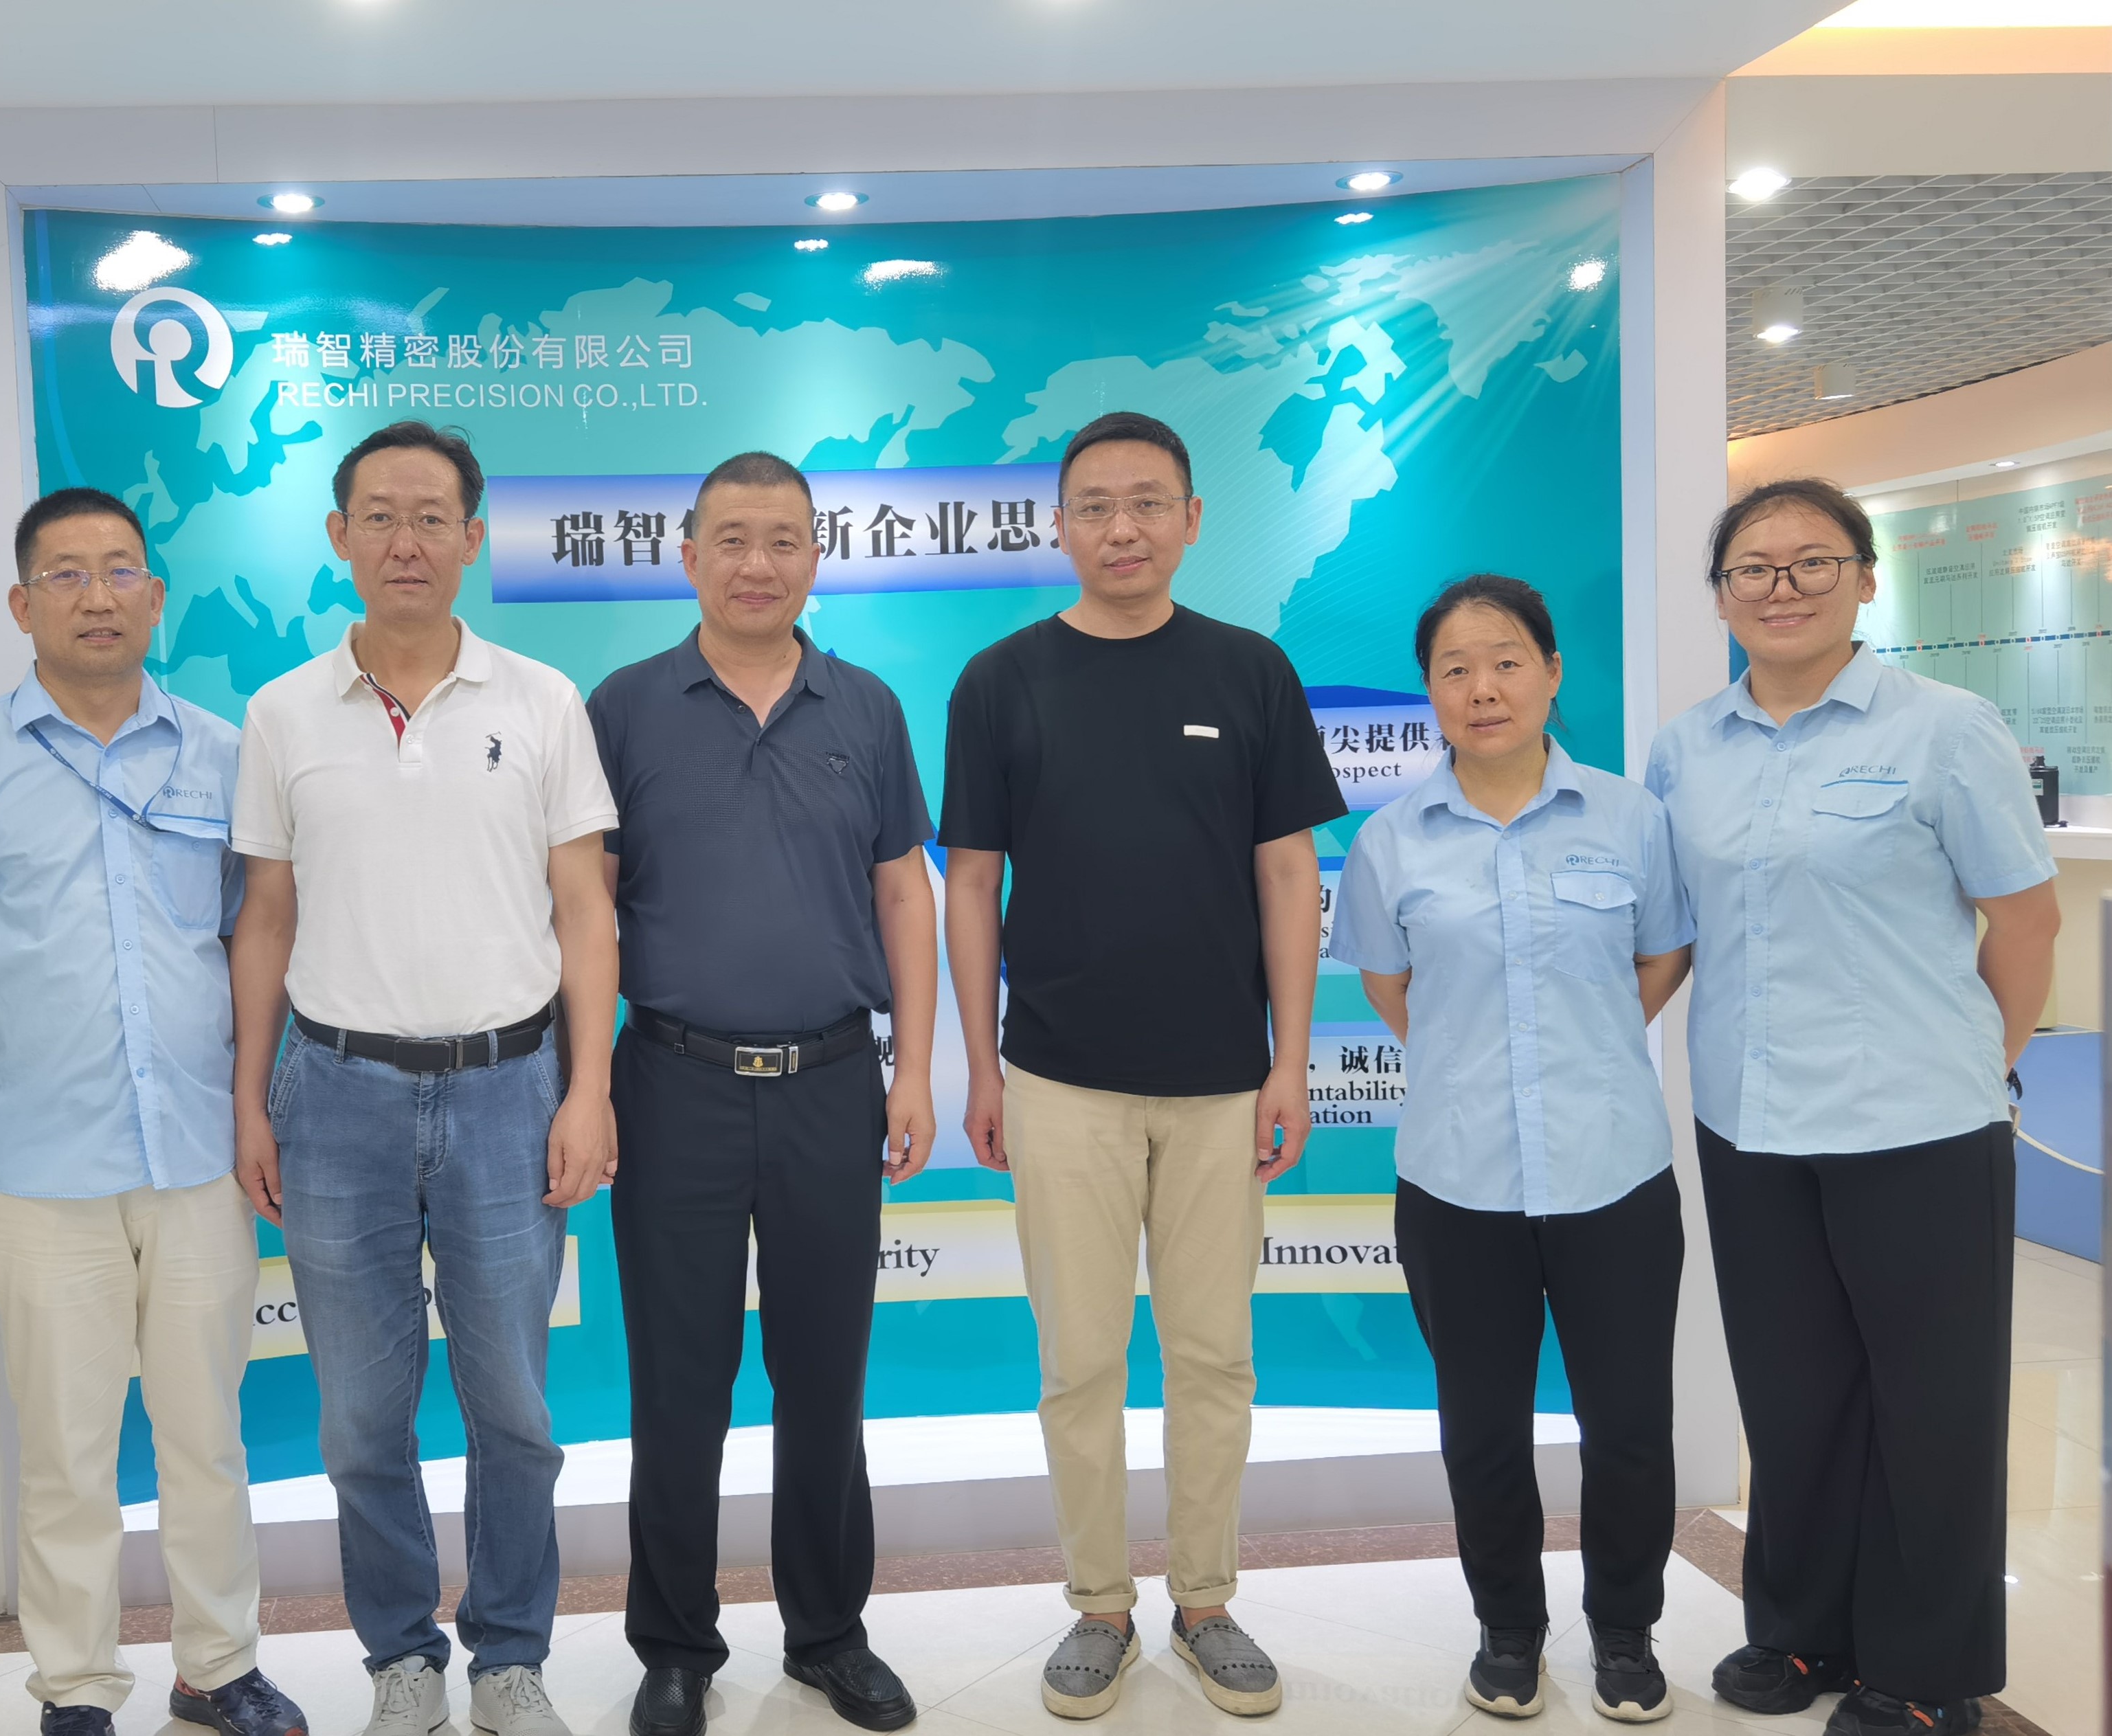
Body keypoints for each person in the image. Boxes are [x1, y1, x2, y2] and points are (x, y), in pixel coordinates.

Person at [941, 411, 1345, 1720]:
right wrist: (982, 1066)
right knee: (1078, 1361)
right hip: (1059, 1078)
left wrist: (1291, 1062)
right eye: (1096, 506)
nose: (1122, 528)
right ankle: (1099, 1606)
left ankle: (1207, 1601)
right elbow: (972, 884)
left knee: (1214, 1355)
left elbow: (1286, 872)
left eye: (1147, 503)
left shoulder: (1248, 671)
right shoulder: (1000, 681)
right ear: (1058, 525)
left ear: (1190, 520)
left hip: (1223, 1081)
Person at [0, 488, 304, 1736]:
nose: (97, 595)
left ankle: (218, 1667)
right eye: (65, 574)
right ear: (22, 605)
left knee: (205, 1436)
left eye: (120, 570)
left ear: (154, 597)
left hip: (198, 1154)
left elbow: (253, 937)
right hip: (42, 1163)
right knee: (66, 1450)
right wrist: (48, 1015)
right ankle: (75, 1685)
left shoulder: (225, 753)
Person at [1645, 479, 2057, 1736]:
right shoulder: (1685, 749)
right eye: (1751, 569)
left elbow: (2024, 921)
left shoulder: (1945, 729)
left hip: (1915, 1125)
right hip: (1749, 1123)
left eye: (1810, 562)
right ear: (1720, 596)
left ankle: (1926, 1673)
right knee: (1793, 1394)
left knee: (1930, 1407)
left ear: (1864, 580)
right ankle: (1802, 1632)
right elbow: (1677, 932)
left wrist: (1980, 1065)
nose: (1780, 588)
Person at [229, 421, 620, 1736]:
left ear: (473, 536)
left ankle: (509, 1657)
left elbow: (585, 909)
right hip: (335, 1097)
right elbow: (265, 920)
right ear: (339, 536)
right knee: (359, 1416)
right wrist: (250, 1099)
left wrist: (587, 1088)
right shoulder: (282, 713)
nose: (407, 540)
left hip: (510, 1090)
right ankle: (401, 1656)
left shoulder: (541, 700)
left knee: (513, 1406)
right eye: (381, 516)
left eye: (433, 516)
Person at [587, 452, 941, 1736]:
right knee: (676, 1386)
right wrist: (586, 1083)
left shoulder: (867, 707)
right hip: (669, 1083)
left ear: (815, 556)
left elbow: (903, 891)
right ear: (687, 556)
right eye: (731, 539)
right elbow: (585, 909)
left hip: (831, 1083)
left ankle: (829, 1634)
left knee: (824, 1377)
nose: (756, 564)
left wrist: (917, 1069)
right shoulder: (624, 707)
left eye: (782, 540)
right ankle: (676, 1646)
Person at [1328, 576, 1693, 1724]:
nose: (1480, 688)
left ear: (1549, 672)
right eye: (1454, 669)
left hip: (1611, 1171)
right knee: (1481, 1430)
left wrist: (1577, 1049)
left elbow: (1660, 956)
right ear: (1429, 692)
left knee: (1626, 1427)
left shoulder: (1630, 819)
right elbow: (1391, 987)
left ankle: (1625, 1632)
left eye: (1504, 662)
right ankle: (1508, 1632)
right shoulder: (1390, 841)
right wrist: (1482, 1060)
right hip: (1457, 1180)